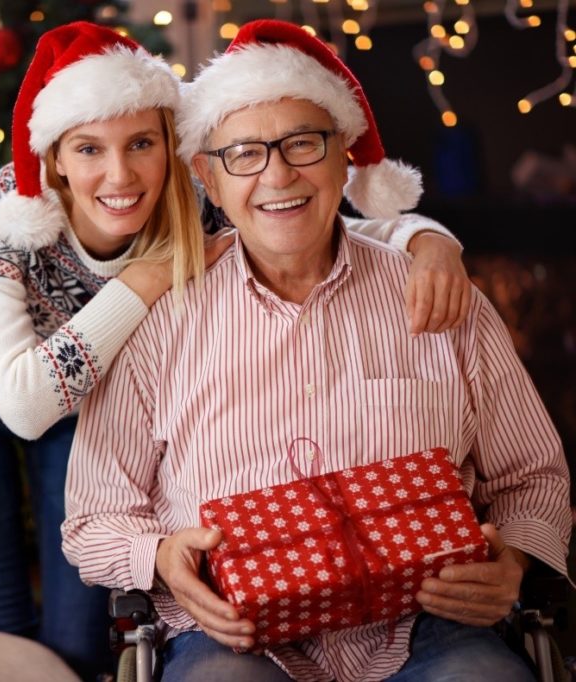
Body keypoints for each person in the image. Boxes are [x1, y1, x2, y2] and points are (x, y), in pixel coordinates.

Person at [0, 21, 471, 681]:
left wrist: (429, 238)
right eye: (88, 148)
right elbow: (25, 403)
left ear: (171, 144)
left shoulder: (198, 199)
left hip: (86, 397)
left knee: (79, 642)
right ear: (53, 156)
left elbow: (318, 219)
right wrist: (142, 284)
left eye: (142, 143)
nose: (120, 174)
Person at [61, 19, 571, 682]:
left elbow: (533, 477)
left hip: (430, 626)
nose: (277, 174)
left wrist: (517, 563)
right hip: (232, 639)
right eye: (244, 153)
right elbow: (94, 520)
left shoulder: (439, 295)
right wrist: (160, 557)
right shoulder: (160, 319)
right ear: (208, 179)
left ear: (343, 156)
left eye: (302, 143)